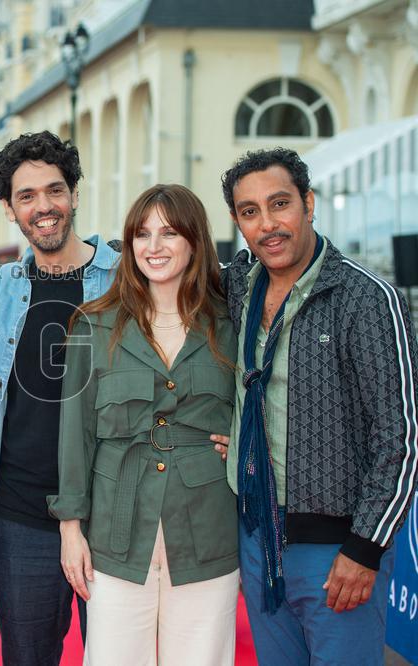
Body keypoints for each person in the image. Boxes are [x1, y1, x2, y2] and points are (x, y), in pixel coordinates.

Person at [221, 148, 418, 665]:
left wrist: (365, 549)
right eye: (249, 212)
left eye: (280, 203)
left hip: (337, 550)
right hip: (257, 536)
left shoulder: (367, 298)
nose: (268, 224)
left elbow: (400, 438)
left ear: (308, 203)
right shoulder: (240, 286)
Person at [52, 184, 239, 664]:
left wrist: (239, 445)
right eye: (141, 234)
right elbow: (75, 438)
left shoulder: (231, 325)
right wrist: (71, 530)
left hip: (207, 530)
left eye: (169, 233)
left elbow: (258, 412)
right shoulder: (91, 327)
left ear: (195, 241)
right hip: (116, 532)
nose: (153, 247)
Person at [0, 130, 120, 664]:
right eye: (26, 196)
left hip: (114, 510)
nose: (43, 207)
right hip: (21, 515)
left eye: (54, 191)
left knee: (121, 655)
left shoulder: (127, 279)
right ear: (8, 208)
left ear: (75, 194)